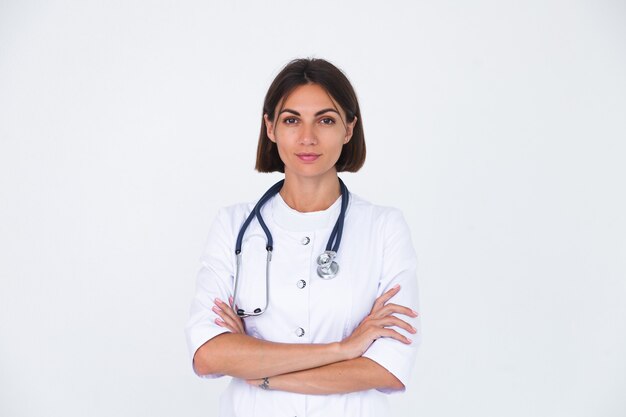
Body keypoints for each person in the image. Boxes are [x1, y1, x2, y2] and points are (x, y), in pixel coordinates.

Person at [185, 58, 421, 417]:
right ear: (270, 128)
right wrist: (343, 350)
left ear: (349, 128)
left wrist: (260, 370)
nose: (307, 137)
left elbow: (386, 368)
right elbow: (208, 355)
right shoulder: (233, 225)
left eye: (326, 120)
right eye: (291, 120)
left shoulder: (383, 228)